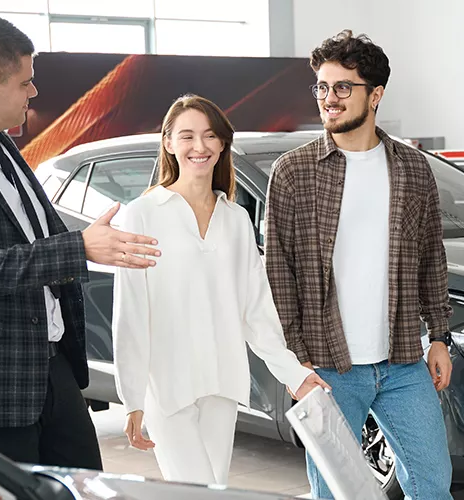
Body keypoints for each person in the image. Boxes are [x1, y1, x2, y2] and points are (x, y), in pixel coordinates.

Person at [0, 13, 160, 471]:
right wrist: (79, 247)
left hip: (49, 370)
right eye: (25, 82)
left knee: (81, 485)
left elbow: (35, 236)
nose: (34, 93)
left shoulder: (2, 147)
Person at [263, 30, 454, 499]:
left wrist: (441, 337)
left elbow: (432, 256)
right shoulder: (293, 172)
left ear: (376, 95)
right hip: (329, 367)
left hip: (405, 362)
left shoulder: (412, 168)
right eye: (322, 88)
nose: (329, 98)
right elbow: (278, 273)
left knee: (433, 487)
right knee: (334, 491)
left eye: (343, 87)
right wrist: (295, 359)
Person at [111, 94, 332, 487]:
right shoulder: (142, 213)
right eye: (188, 136)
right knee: (195, 492)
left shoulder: (236, 218)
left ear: (223, 144)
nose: (200, 147)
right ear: (168, 142)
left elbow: (256, 310)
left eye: (210, 136)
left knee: (215, 488)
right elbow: (131, 312)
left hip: (223, 382)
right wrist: (131, 398)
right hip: (168, 385)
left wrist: (292, 373)